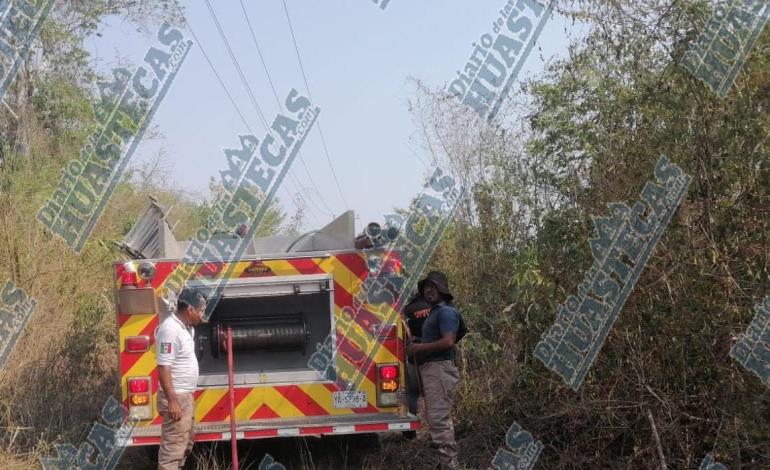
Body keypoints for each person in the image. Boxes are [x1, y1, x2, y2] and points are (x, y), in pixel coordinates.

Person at [405, 271, 461, 470]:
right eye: (426, 288)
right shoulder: (435, 312)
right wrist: (418, 342)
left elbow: (448, 341)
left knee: (438, 419)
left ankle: (449, 465)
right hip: (432, 369)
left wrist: (418, 348)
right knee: (438, 418)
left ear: (442, 289)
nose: (428, 291)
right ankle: (445, 462)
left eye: (433, 287)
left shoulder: (445, 312)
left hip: (438, 369)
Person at [156, 287, 206, 470]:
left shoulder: (186, 328)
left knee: (185, 443)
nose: (203, 315)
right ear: (190, 310)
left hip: (185, 396)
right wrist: (172, 401)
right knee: (172, 450)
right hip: (177, 397)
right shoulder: (169, 330)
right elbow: (163, 367)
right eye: (201, 311)